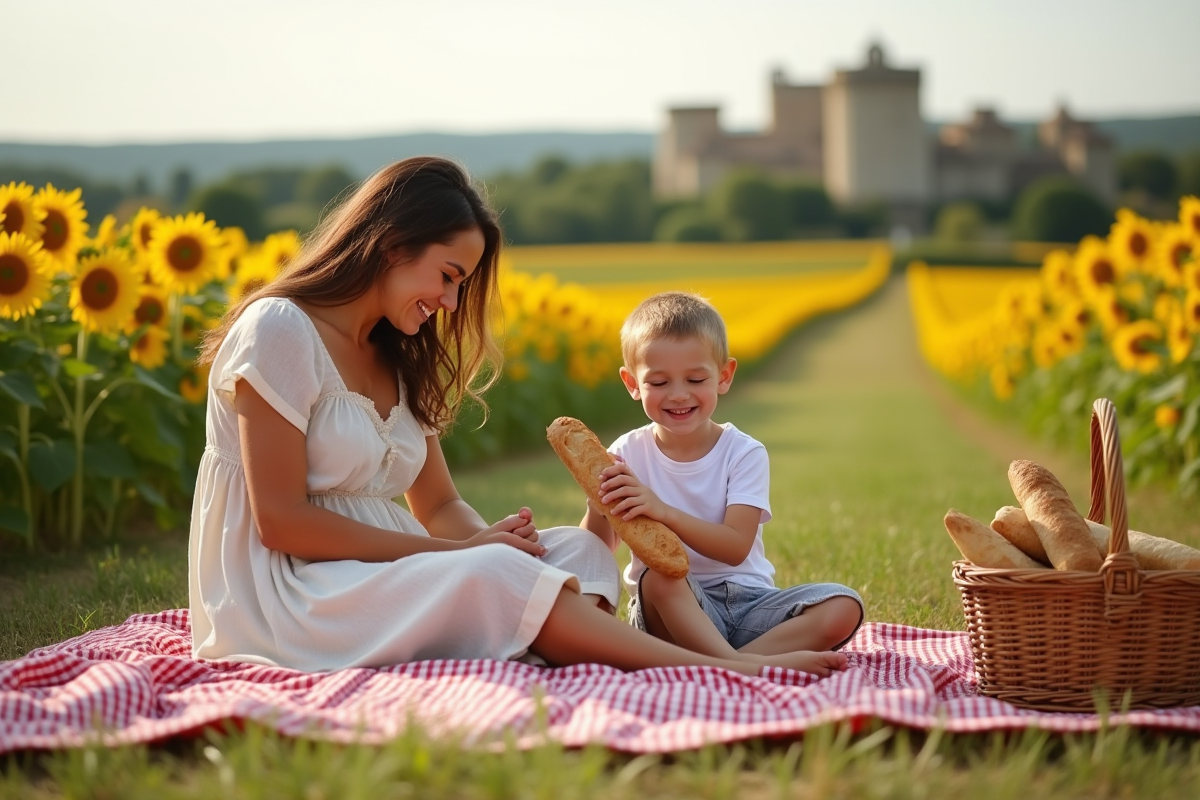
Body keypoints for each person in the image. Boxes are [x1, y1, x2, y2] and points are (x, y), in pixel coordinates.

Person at [189, 156, 844, 677]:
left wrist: (491, 540)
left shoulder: (395, 354)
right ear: (392, 246)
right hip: (291, 595)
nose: (448, 302)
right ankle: (717, 670)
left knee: (580, 547)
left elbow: (441, 506)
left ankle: (549, 634)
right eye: (446, 276)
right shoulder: (280, 330)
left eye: (460, 285)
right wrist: (466, 557)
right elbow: (282, 523)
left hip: (380, 572)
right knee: (498, 572)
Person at [582, 292, 864, 663]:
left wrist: (662, 511)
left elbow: (734, 548)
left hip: (750, 605)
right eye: (659, 382)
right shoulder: (624, 454)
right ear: (632, 383)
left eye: (696, 378)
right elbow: (598, 550)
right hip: (671, 611)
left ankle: (728, 663)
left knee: (845, 605)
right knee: (658, 576)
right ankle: (741, 665)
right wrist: (596, 509)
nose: (679, 395)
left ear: (724, 376)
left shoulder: (743, 453)